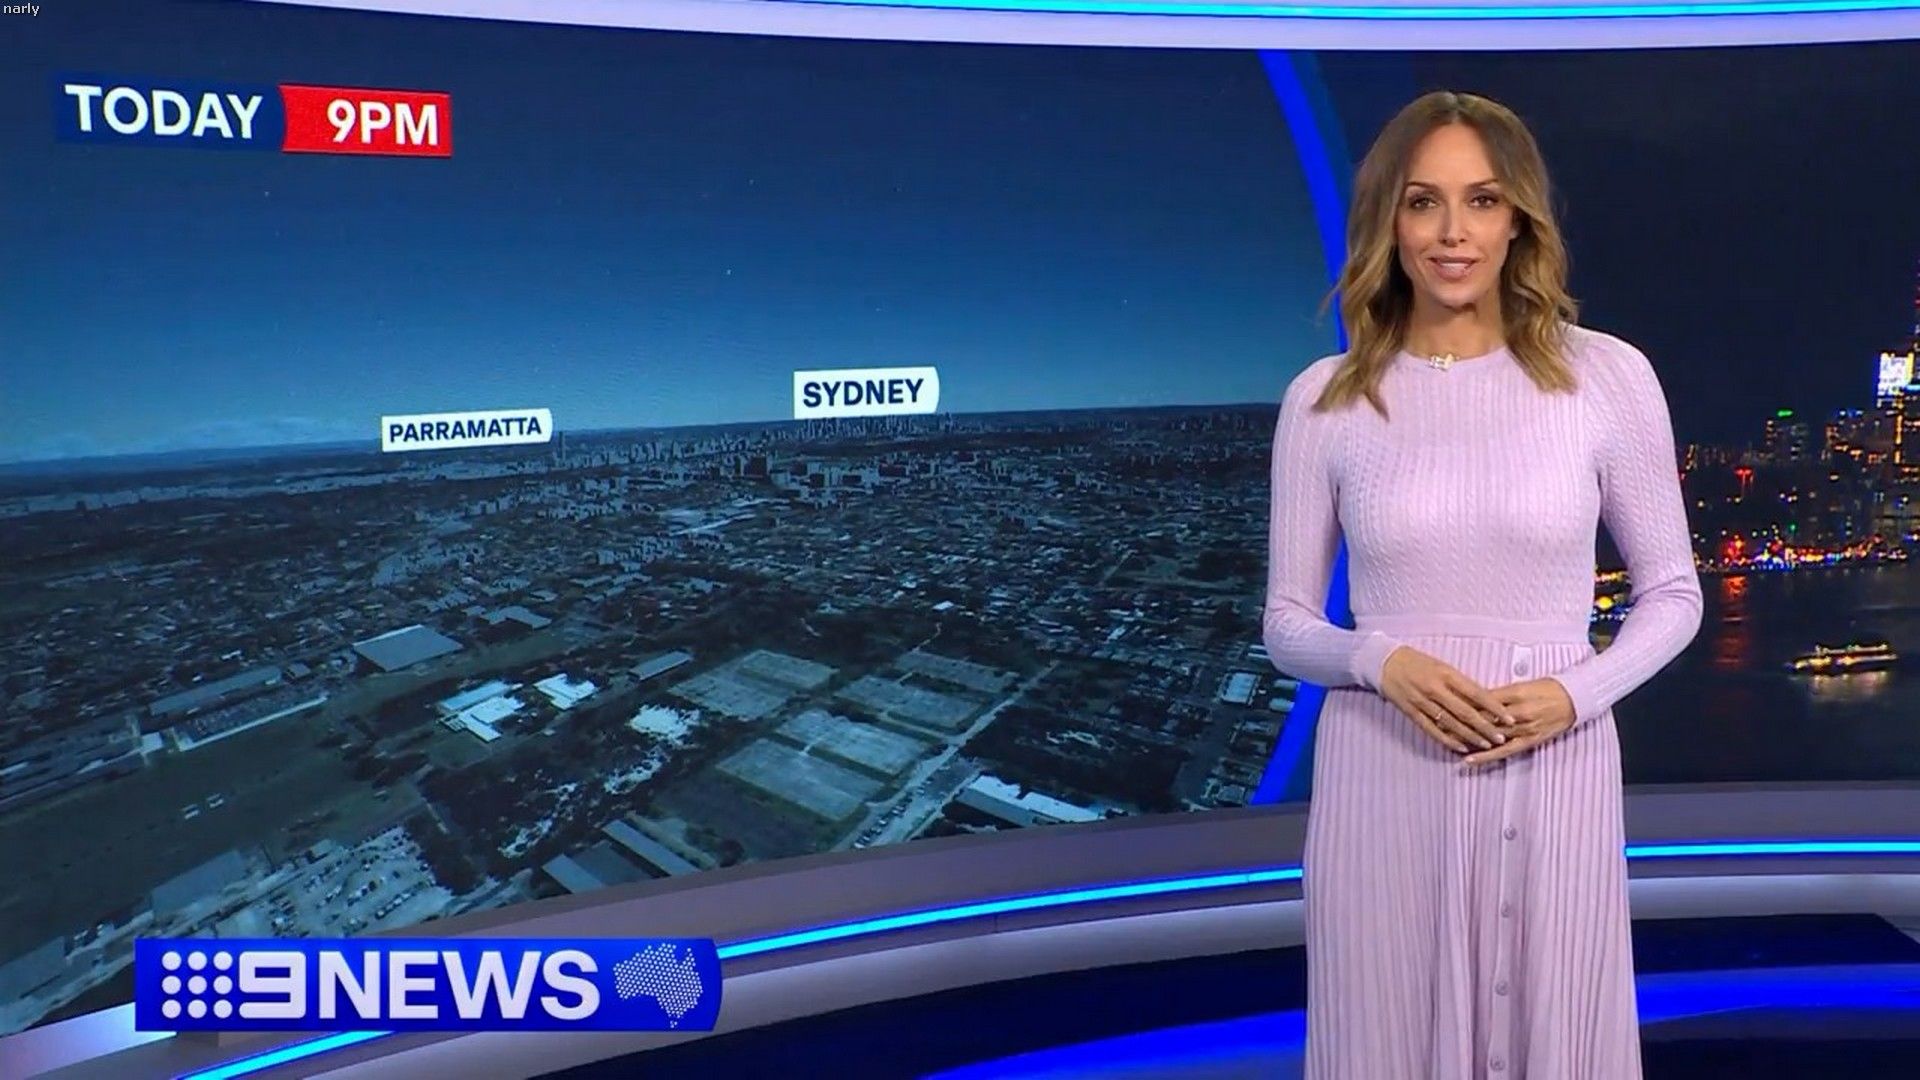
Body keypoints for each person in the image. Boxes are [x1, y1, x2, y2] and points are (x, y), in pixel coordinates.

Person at [1262, 90, 1704, 1079]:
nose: (1452, 232)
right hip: (1383, 767)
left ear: (1519, 219)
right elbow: (1287, 624)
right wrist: (1379, 661)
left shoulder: (1605, 377)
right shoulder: (1324, 400)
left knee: (1553, 1025)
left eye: (1483, 200)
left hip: (1556, 759)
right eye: (1423, 202)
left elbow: (1675, 594)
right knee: (1385, 1028)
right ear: (1388, 221)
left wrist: (1574, 694)